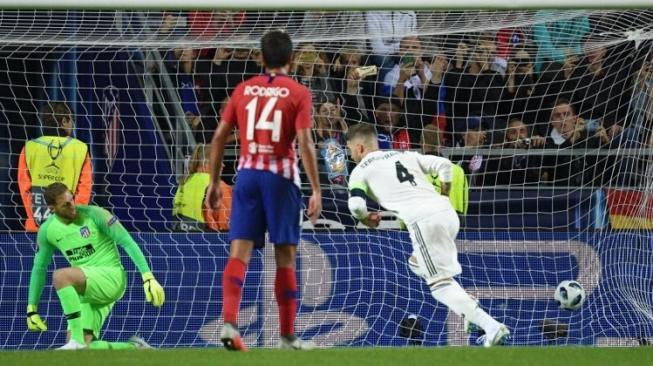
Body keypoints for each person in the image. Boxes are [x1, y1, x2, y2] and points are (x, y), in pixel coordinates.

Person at [206, 30, 322, 351]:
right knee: (285, 256)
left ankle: (229, 323)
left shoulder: (243, 89)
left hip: (246, 176)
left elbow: (217, 138)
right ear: (291, 59)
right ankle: (287, 336)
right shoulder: (298, 92)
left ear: (259, 58)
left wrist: (215, 182)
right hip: (279, 178)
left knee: (239, 252)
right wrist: (316, 188)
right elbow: (306, 142)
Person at [345, 123, 509, 347]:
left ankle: (491, 327)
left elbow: (355, 205)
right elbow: (444, 165)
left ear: (360, 147)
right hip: (448, 214)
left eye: (351, 149)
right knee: (415, 262)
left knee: (440, 285)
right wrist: (444, 194)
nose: (351, 154)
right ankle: (468, 305)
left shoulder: (360, 170)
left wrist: (365, 219)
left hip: (424, 222)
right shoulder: (406, 155)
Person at [26, 183, 165, 350]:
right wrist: (31, 308)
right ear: (52, 208)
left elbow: (127, 242)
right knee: (83, 350)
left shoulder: (96, 214)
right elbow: (39, 268)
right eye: (66, 204)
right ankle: (135, 348)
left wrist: (147, 276)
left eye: (72, 200)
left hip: (111, 277)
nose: (73, 206)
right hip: (86, 289)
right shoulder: (47, 230)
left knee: (61, 276)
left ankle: (75, 340)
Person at [18, 102, 92, 232]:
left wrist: (35, 218)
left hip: (36, 227)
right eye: (72, 120)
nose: (72, 125)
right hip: (68, 227)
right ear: (64, 121)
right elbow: (84, 188)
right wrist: (73, 218)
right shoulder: (80, 148)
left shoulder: (29, 147)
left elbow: (24, 187)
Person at [173, 144, 232, 231]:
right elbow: (226, 222)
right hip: (208, 239)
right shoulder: (218, 186)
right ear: (208, 162)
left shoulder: (185, 182)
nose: (223, 165)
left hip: (179, 237)